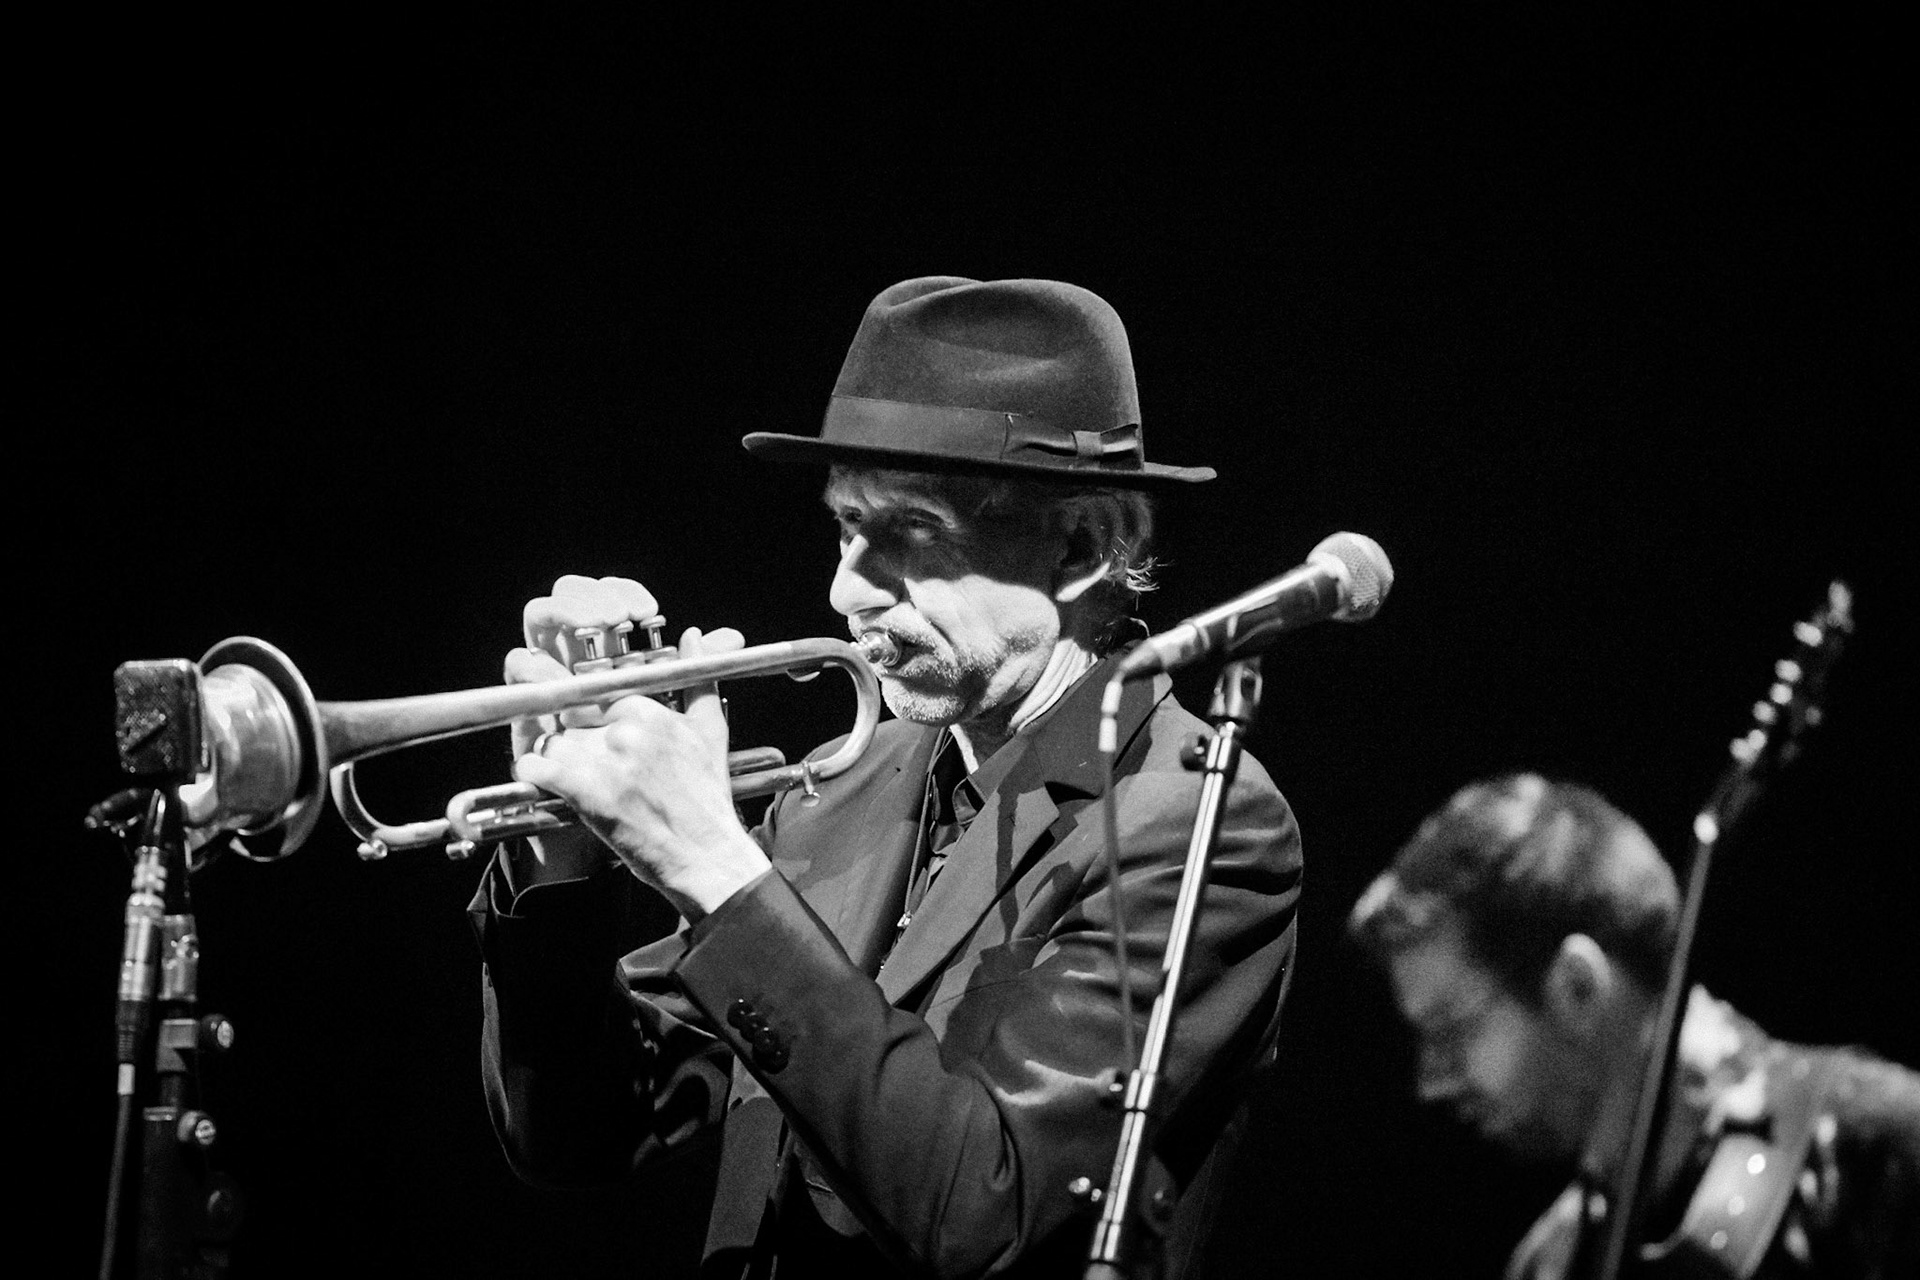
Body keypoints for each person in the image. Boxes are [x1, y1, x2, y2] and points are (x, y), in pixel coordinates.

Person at [470, 277, 1303, 1278]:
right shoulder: (832, 791)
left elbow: (984, 1210)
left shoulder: (1197, 821)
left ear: (1079, 546)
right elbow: (579, 1134)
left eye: (907, 532)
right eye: (843, 525)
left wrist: (711, 864)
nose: (844, 587)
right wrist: (559, 864)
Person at [1347, 773, 1920, 1280]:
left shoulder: (1882, 1145)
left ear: (1577, 986)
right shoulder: (1551, 1263)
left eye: (1450, 1029)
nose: (1431, 1081)